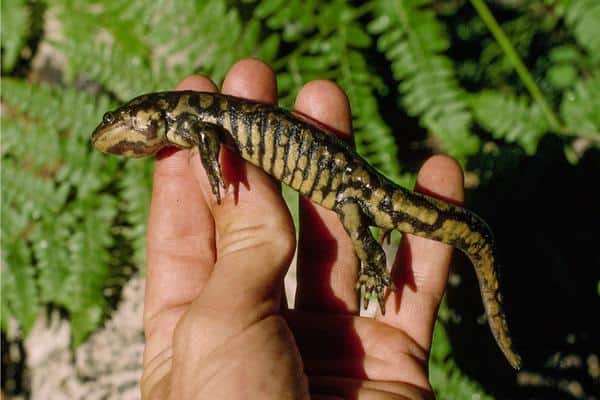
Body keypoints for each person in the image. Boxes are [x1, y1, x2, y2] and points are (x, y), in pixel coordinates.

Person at [140, 58, 464, 399]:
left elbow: (207, 137)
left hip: (348, 189)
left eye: (114, 119)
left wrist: (213, 168)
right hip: (346, 189)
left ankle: (374, 265)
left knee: (357, 224)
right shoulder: (187, 121)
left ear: (147, 111)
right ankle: (374, 260)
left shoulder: (191, 122)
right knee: (356, 219)